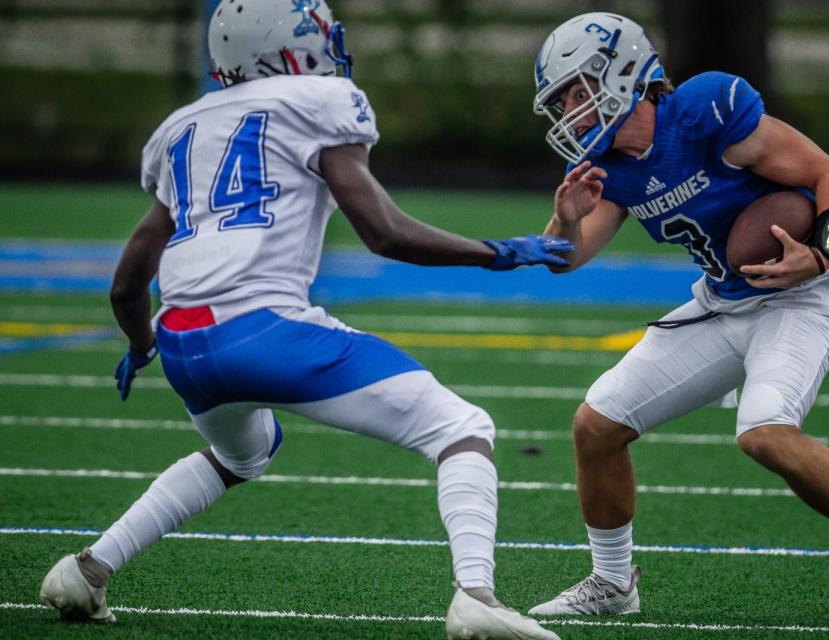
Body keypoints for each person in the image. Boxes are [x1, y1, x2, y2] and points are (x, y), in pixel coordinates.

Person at [37, 2, 566, 638]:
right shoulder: (319, 100)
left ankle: (89, 569)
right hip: (264, 330)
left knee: (244, 452)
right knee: (461, 427)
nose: (328, 47)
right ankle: (477, 596)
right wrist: (496, 254)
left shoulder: (181, 127)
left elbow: (127, 284)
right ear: (283, 46)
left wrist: (142, 342)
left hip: (183, 341)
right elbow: (384, 232)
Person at [526, 12, 829, 617]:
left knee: (764, 432)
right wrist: (564, 219)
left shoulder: (704, 110)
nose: (569, 110)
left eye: (574, 90)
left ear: (619, 72)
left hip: (798, 300)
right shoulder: (605, 169)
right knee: (596, 426)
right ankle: (614, 584)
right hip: (720, 303)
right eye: (561, 99)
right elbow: (566, 258)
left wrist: (822, 253)